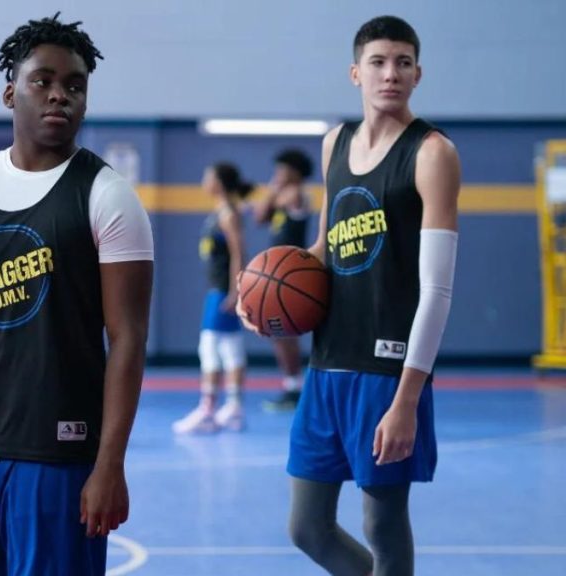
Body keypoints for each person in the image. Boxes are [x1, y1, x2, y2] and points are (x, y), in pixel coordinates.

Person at [0, 13, 154, 576]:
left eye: (75, 85)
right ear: (10, 92)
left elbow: (128, 339)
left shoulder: (107, 195)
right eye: (43, 81)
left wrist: (109, 463)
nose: (60, 94)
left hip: (58, 455)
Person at [239, 16, 460, 576]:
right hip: (328, 361)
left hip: (387, 372)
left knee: (382, 525)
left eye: (403, 63)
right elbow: (324, 246)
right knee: (307, 527)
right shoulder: (335, 143)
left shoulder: (432, 153)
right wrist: (259, 289)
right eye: (379, 62)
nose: (391, 74)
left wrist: (407, 398)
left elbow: (436, 290)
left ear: (418, 74)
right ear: (356, 73)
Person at [172, 163, 252, 434]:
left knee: (212, 347)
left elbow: (239, 253)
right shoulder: (220, 211)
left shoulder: (228, 214)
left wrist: (235, 291)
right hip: (217, 288)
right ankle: (233, 407)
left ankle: (209, 409)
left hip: (222, 291)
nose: (204, 180)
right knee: (228, 346)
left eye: (208, 176)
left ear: (219, 182)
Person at [254, 148, 315, 412]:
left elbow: (266, 208)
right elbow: (259, 217)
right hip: (278, 272)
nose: (277, 173)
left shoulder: (296, 194)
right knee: (278, 332)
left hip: (291, 274)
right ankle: (293, 385)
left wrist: (272, 189)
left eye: (282, 169)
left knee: (283, 331)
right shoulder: (282, 195)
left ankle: (295, 388)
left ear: (295, 172)